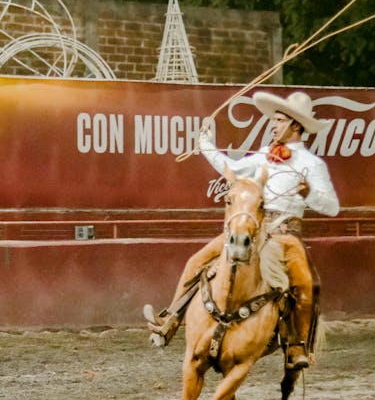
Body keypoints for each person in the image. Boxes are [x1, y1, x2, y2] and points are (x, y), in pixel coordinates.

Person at [145, 91, 339, 371]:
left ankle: (297, 346)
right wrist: (205, 144)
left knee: (308, 283)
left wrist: (309, 193)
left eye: (279, 120)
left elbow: (332, 206)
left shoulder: (312, 165)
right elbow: (232, 168)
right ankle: (170, 319)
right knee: (197, 261)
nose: (272, 125)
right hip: (253, 228)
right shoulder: (264, 155)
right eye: (273, 120)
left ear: (296, 125)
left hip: (285, 234)